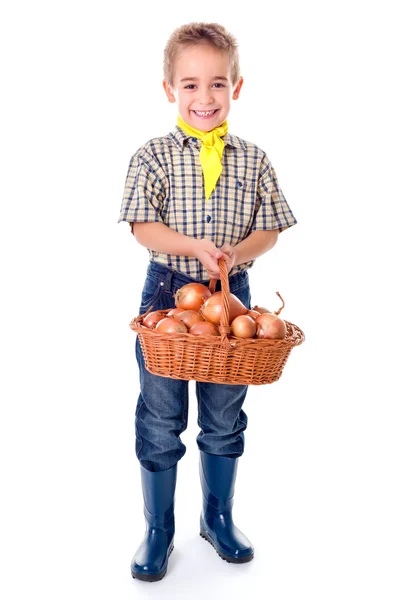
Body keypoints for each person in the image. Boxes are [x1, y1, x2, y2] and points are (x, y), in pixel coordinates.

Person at [118, 22, 297, 582]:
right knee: (160, 413)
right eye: (190, 85)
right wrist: (190, 247)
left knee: (223, 415)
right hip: (167, 295)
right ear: (169, 88)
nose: (205, 97)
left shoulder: (255, 159)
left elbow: (271, 230)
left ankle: (217, 517)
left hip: (231, 299)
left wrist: (236, 253)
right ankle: (159, 527)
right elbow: (142, 227)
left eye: (217, 84)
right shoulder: (151, 156)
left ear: (237, 88)